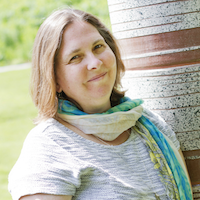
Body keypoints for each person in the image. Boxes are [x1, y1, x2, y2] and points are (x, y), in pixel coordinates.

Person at [8, 8, 193, 200]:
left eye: (98, 47)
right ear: (55, 80)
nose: (95, 62)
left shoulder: (151, 125)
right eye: (75, 57)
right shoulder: (49, 147)